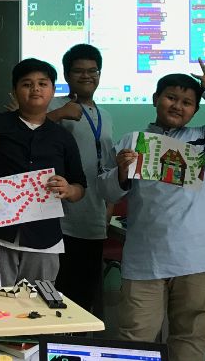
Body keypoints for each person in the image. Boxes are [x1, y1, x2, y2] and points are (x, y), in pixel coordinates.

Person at [102, 55, 205, 361]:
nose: (177, 106)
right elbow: (104, 191)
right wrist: (120, 172)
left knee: (190, 341)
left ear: (195, 110)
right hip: (146, 260)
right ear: (155, 99)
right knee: (134, 342)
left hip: (201, 258)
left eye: (187, 102)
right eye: (171, 97)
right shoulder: (133, 141)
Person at [0, 58, 86, 284]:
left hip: (44, 239)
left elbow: (80, 186)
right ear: (14, 91)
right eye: (27, 84)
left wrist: (69, 189)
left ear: (53, 90)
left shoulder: (63, 138)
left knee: (38, 302)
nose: (35, 89)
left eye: (43, 84)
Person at [46, 44, 116, 313]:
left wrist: (109, 208)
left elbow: (107, 165)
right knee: (58, 292)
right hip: (60, 217)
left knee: (85, 294)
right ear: (66, 75)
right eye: (78, 71)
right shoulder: (54, 105)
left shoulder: (105, 116)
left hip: (94, 216)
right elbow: (31, 131)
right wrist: (59, 115)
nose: (86, 76)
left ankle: (80, 338)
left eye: (92, 70)